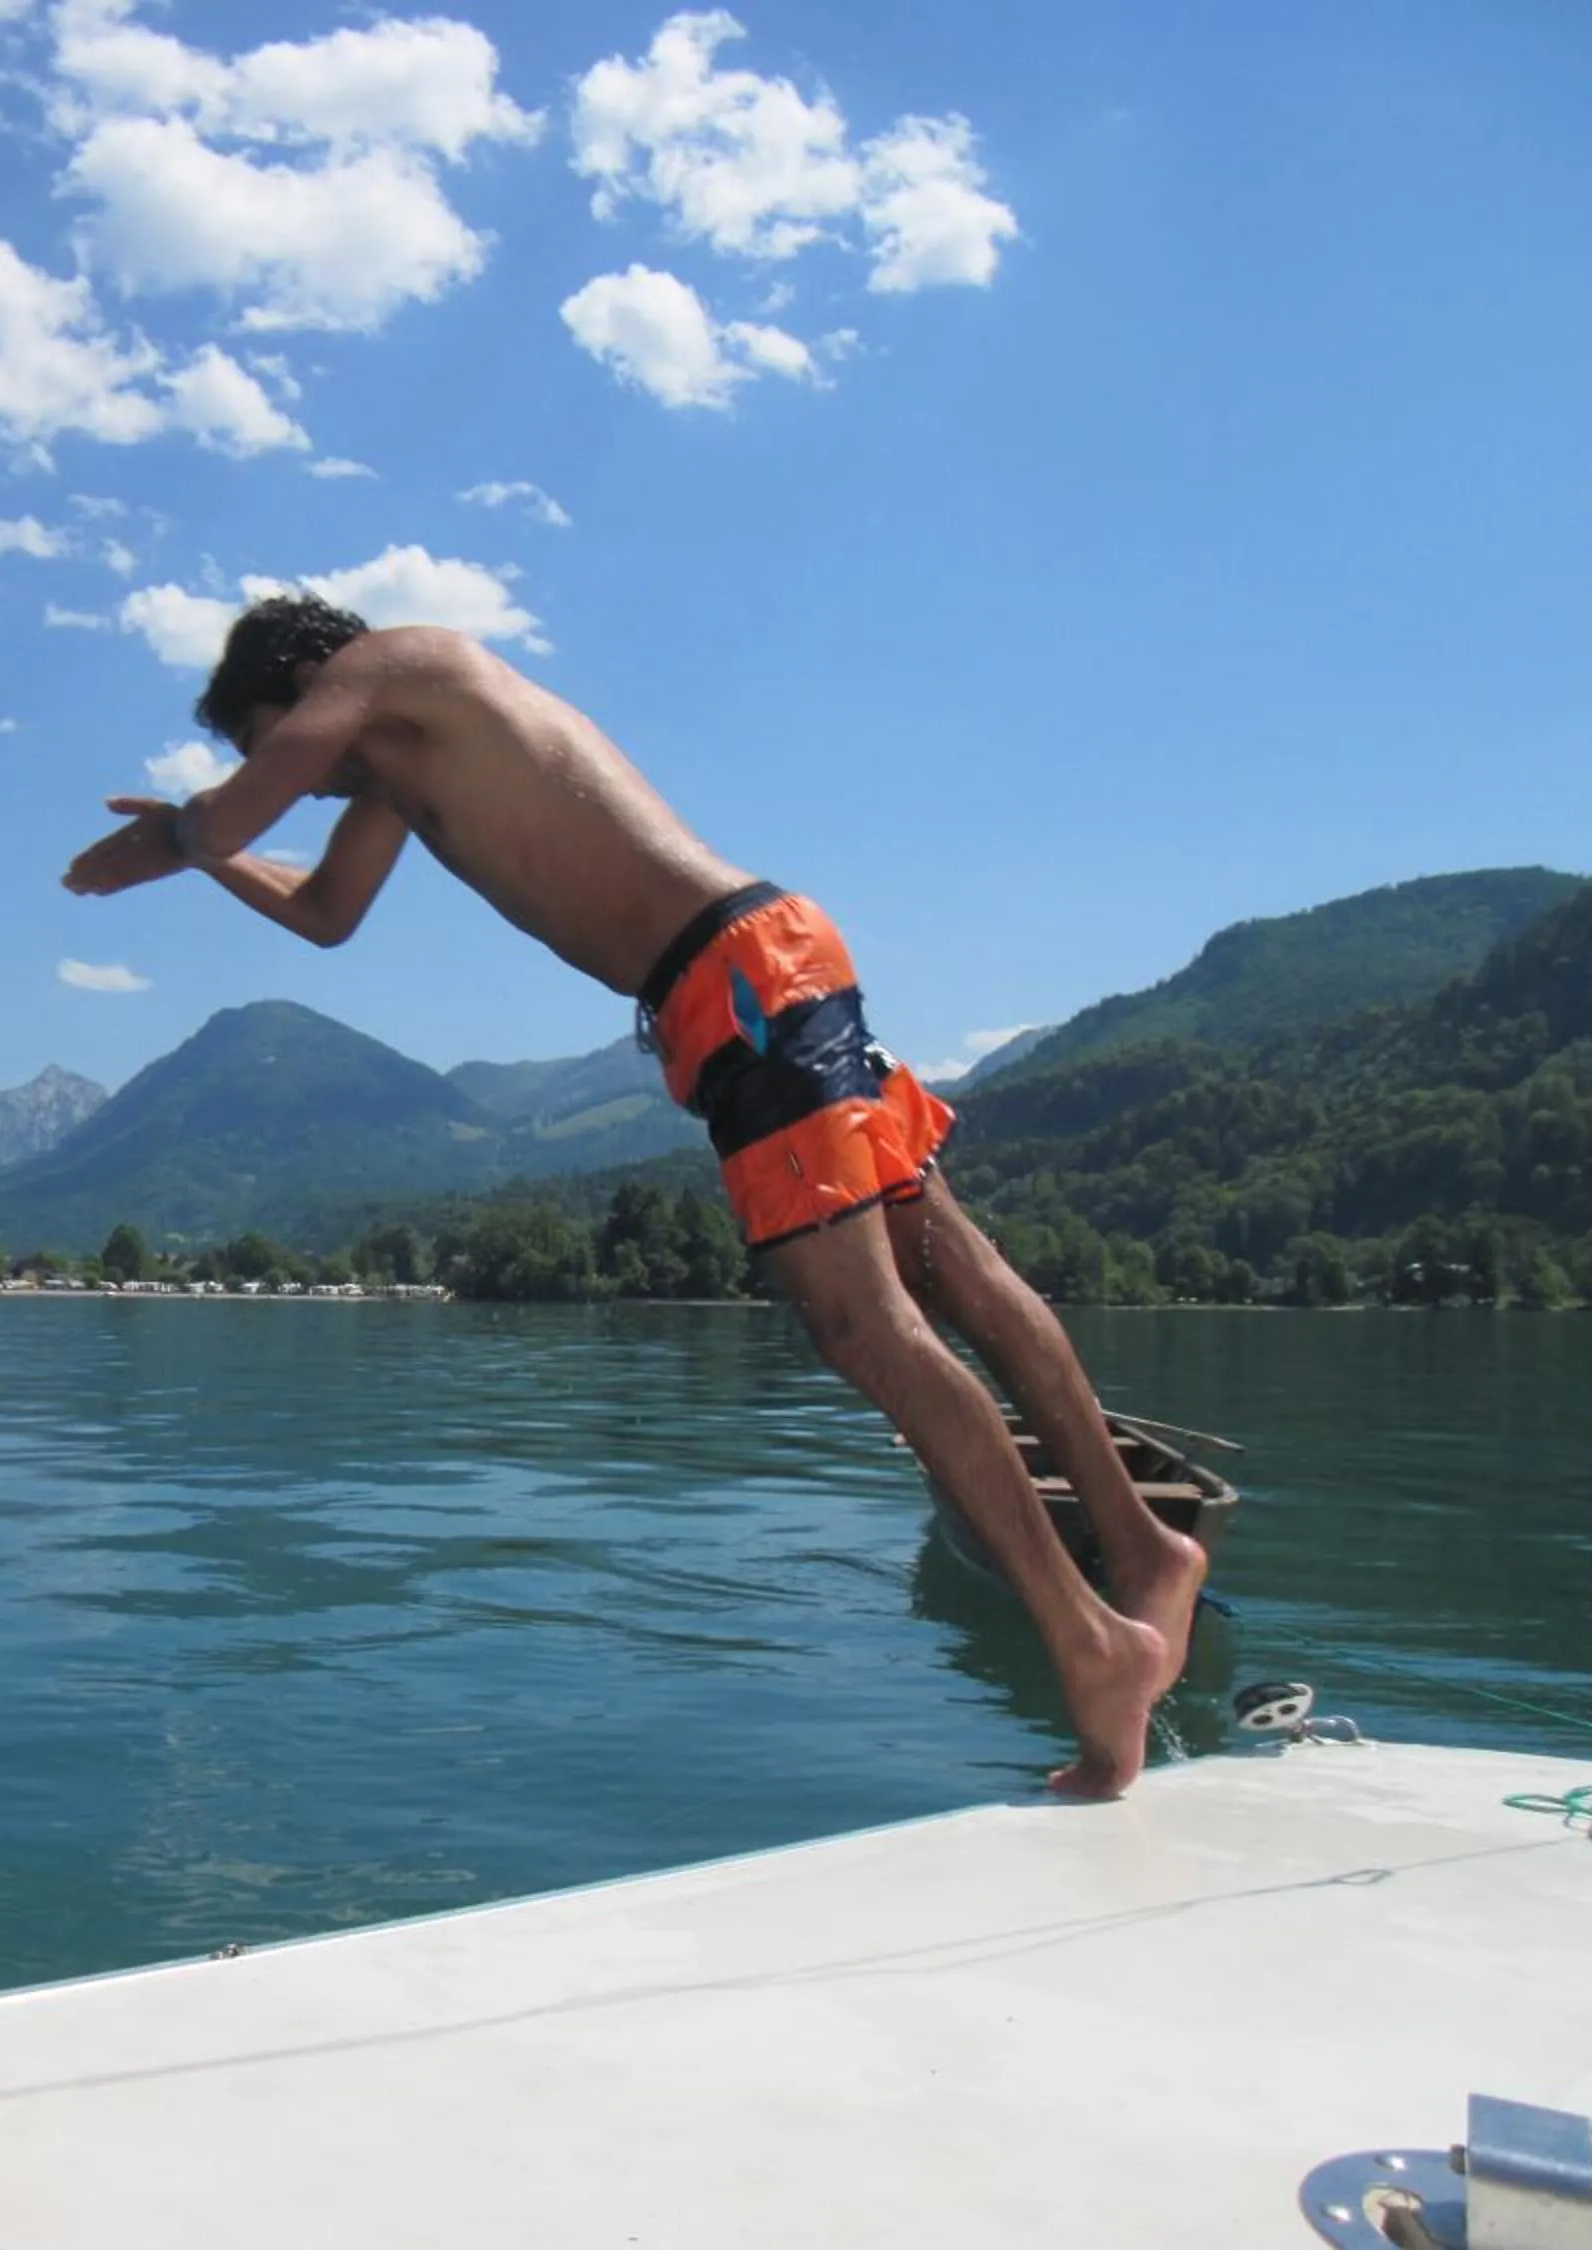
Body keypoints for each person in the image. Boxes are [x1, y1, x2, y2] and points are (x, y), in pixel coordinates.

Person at [64, 594, 1204, 1797]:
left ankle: (1091, 1641)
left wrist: (183, 836)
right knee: (949, 1266)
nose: (304, 782)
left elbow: (239, 808)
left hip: (736, 983)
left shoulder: (390, 661)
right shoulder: (401, 763)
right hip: (766, 960)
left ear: (301, 679)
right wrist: (212, 854)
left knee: (866, 1325)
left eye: (269, 739)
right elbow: (326, 914)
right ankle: (1142, 1547)